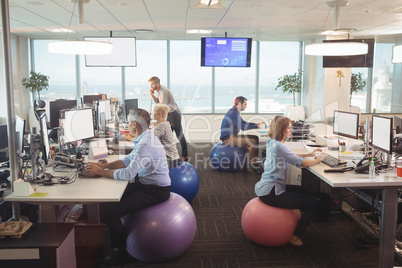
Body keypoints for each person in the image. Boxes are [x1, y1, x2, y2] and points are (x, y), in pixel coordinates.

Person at [85, 108, 171, 266]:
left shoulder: (146, 143)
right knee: (113, 201)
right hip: (147, 184)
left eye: (129, 123)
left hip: (156, 191)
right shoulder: (146, 137)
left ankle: (118, 251)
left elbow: (128, 174)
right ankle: (115, 237)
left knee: (112, 213)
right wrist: (102, 167)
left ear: (135, 125)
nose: (127, 126)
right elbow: (129, 159)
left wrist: (101, 173)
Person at [254, 115, 329, 247]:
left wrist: (310, 154)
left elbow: (290, 155)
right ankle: (295, 237)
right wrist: (318, 160)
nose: (291, 131)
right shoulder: (279, 146)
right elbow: (301, 163)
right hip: (271, 193)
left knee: (304, 190)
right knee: (314, 205)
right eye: (289, 128)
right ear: (281, 130)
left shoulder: (272, 142)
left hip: (267, 187)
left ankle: (308, 219)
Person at [148, 76, 188, 162]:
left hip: (173, 114)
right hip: (170, 114)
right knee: (167, 135)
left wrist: (158, 121)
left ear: (157, 83)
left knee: (179, 134)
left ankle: (185, 155)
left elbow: (162, 107)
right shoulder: (159, 91)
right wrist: (152, 94)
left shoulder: (164, 92)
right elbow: (158, 102)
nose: (151, 87)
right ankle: (169, 155)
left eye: (152, 85)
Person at [220, 96, 263, 172]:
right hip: (228, 139)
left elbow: (244, 123)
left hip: (233, 136)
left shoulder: (235, 112)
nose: (246, 106)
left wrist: (257, 124)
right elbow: (243, 127)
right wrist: (257, 126)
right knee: (252, 141)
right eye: (245, 104)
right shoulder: (233, 113)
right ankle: (251, 166)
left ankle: (254, 162)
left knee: (256, 138)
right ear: (240, 104)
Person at [152, 103, 181, 168]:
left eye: (153, 111)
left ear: (159, 114)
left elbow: (148, 137)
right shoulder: (166, 123)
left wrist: (133, 137)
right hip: (174, 158)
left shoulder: (162, 126)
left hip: (170, 160)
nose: (152, 113)